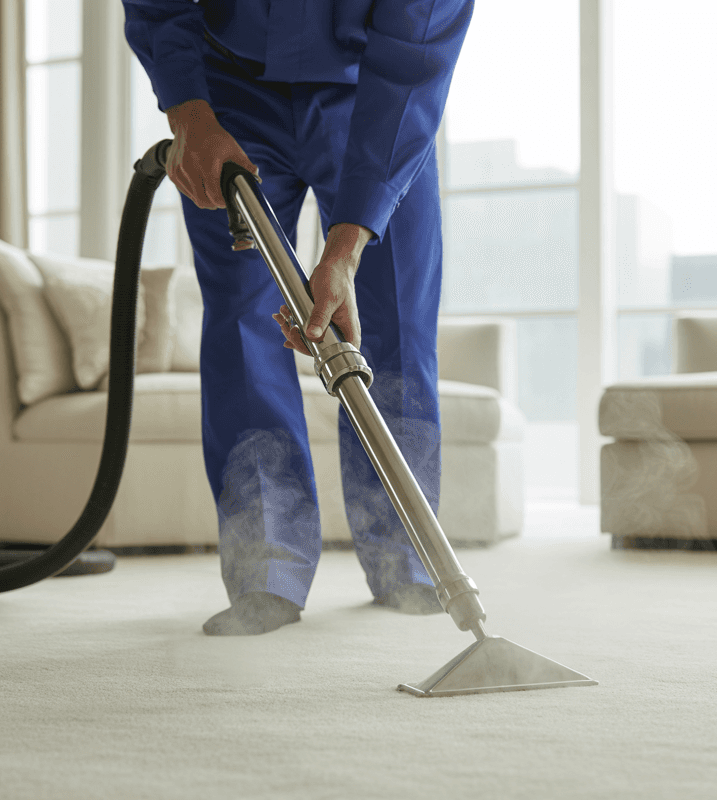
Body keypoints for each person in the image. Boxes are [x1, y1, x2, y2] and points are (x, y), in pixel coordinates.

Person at [123, 0, 475, 635]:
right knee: (243, 320)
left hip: (374, 95)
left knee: (395, 318)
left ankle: (408, 563)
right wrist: (188, 113)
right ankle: (266, 573)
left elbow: (415, 50)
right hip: (228, 90)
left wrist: (346, 245)